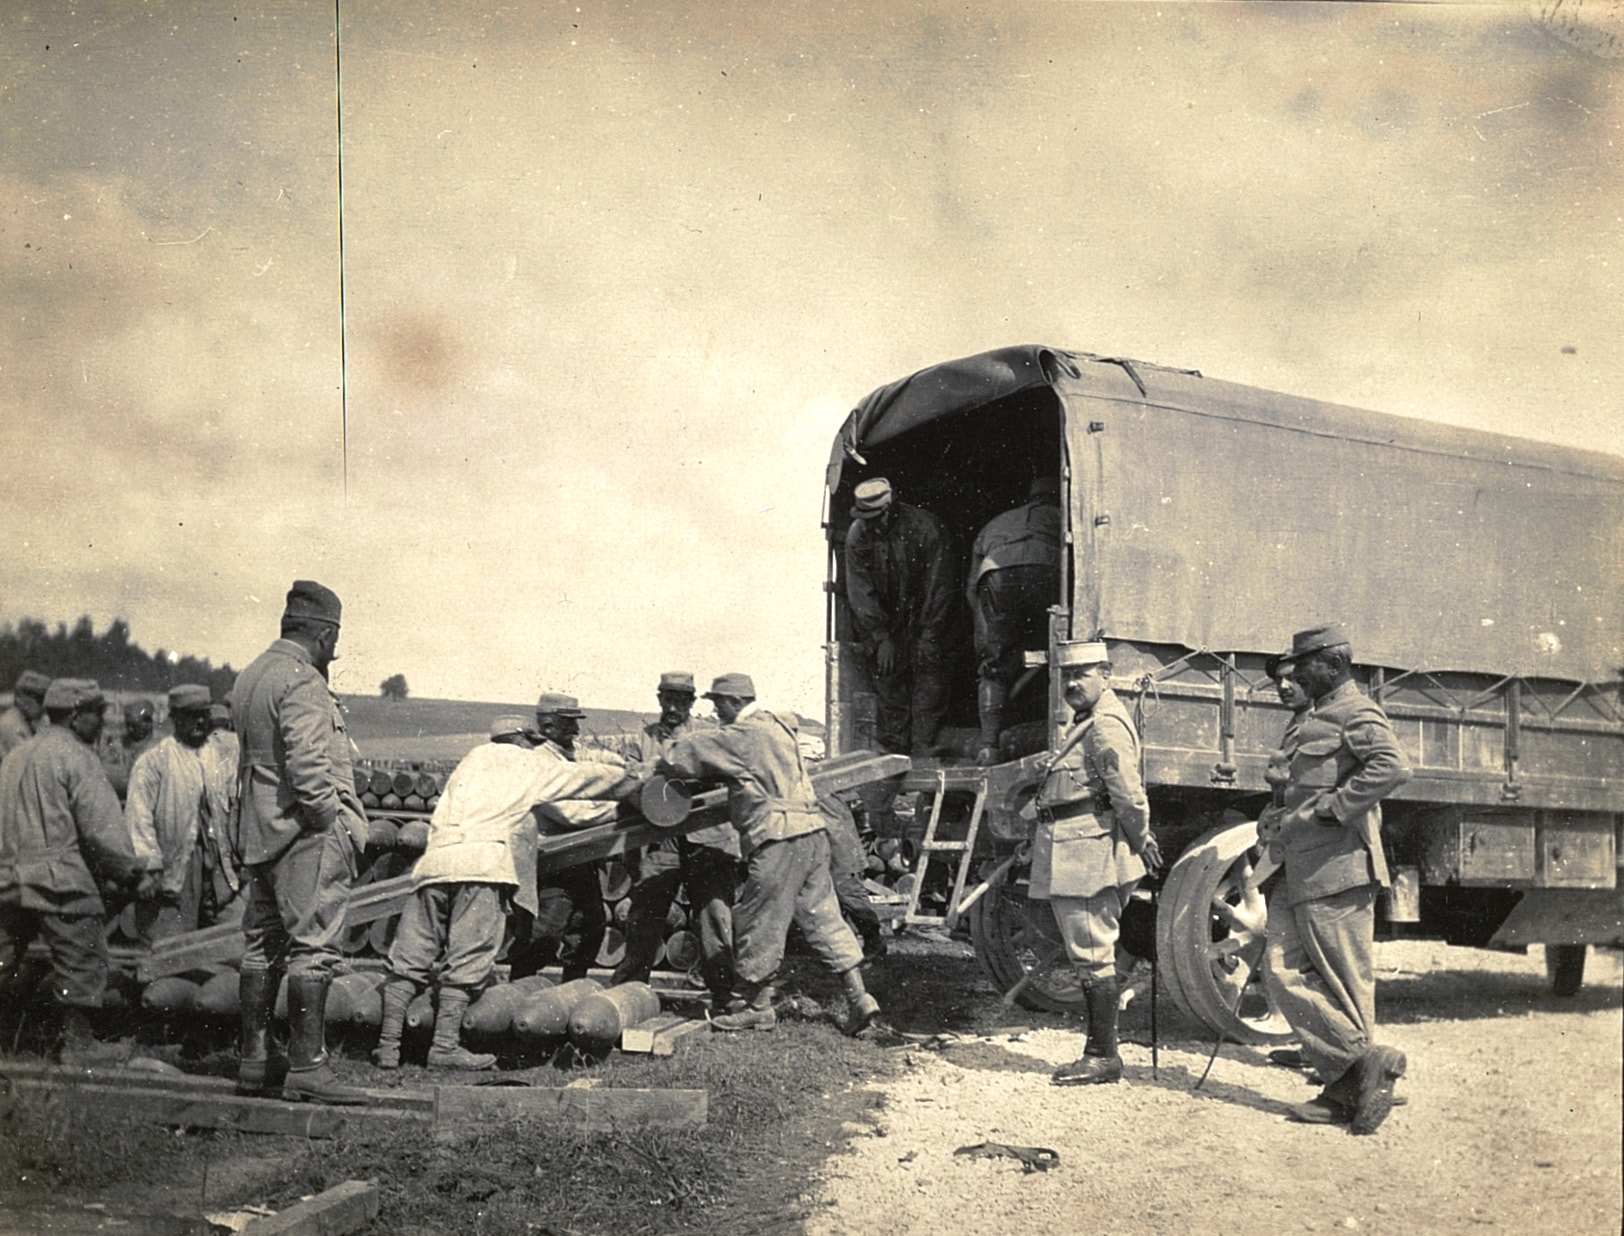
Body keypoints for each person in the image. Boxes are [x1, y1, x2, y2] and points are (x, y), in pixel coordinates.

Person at [372, 714, 637, 1071]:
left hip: (434, 864)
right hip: (480, 866)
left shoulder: (469, 762)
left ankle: (387, 1048)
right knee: (468, 958)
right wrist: (630, 781)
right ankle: (444, 1048)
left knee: (410, 958)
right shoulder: (526, 763)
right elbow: (580, 779)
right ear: (525, 739)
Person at [656, 673, 881, 1034]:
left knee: (759, 920)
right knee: (824, 918)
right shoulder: (779, 725)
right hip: (811, 833)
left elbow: (683, 756)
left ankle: (757, 1008)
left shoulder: (743, 735)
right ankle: (859, 998)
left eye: (718, 705)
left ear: (734, 702)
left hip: (778, 838)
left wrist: (660, 755)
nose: (716, 713)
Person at [1260, 623, 1412, 1135]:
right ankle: (1366, 1066)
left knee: (1346, 984)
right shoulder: (1314, 716)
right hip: (1301, 864)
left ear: (1334, 665)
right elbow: (1297, 786)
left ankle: (1346, 1088)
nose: (1295, 675)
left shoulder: (1355, 711)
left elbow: (1392, 767)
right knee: (1279, 970)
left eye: (1303, 667)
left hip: (1340, 866)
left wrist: (1334, 809)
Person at [230, 580, 371, 1104]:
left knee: (262, 946)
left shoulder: (251, 676)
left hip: (259, 833)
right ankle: (308, 1066)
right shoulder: (303, 682)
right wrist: (329, 819)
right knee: (314, 947)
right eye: (335, 637)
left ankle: (254, 1060)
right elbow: (310, 769)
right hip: (304, 834)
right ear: (325, 633)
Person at [0, 678, 154, 1063]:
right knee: (81, 952)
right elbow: (101, 828)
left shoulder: (15, 756)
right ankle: (79, 1043)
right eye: (96, 713)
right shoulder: (77, 757)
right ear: (74, 716)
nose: (102, 722)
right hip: (58, 877)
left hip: (8, 874)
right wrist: (133, 873)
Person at [1032, 641, 1161, 1087]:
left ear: (1106, 674)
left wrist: (1141, 839)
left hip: (1088, 850)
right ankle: (1100, 1052)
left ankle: (1102, 1056)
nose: (1071, 683)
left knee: (1092, 952)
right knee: (1089, 952)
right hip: (1073, 845)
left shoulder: (1105, 726)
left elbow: (1128, 794)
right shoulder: (1086, 723)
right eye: (1066, 676)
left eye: (1082, 674)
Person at [611, 672, 741, 1010]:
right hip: (658, 841)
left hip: (706, 838)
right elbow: (625, 784)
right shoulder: (641, 740)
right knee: (645, 911)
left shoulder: (708, 736)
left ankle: (724, 995)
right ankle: (628, 992)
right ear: (658, 700)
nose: (673, 706)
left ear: (691, 703)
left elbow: (728, 781)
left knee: (714, 915)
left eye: (680, 700)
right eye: (667, 699)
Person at [506, 693, 625, 983]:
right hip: (552, 862)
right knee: (546, 932)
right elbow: (572, 813)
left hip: (580, 856)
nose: (576, 730)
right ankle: (515, 988)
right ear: (548, 726)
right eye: (568, 723)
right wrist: (620, 807)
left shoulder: (566, 755)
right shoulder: (538, 763)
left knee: (590, 928)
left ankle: (572, 990)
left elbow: (598, 762)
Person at [843, 477, 958, 756]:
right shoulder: (858, 535)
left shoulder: (926, 528)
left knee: (929, 672)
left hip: (927, 615)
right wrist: (881, 637)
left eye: (874, 517)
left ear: (890, 507)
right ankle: (895, 751)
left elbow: (939, 586)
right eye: (864, 518)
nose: (868, 524)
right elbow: (860, 590)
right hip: (886, 621)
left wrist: (929, 635)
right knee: (888, 676)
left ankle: (923, 745)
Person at [967, 475, 1063, 764]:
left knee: (994, 668)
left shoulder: (998, 522)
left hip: (994, 577)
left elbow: (972, 586)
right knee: (1054, 654)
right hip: (1045, 568)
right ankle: (1054, 734)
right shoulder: (1062, 516)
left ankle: (989, 745)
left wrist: (985, 634)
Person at [124, 684, 216, 941]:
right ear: (175, 718)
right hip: (174, 866)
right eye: (190, 715)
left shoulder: (218, 756)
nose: (199, 721)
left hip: (215, 868)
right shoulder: (155, 760)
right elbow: (138, 818)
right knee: (173, 943)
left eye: (203, 714)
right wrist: (149, 865)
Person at [196, 703, 244, 927]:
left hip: (209, 833)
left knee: (212, 889)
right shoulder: (239, 744)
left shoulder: (202, 747)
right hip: (236, 828)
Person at [99, 697, 158, 801]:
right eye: (127, 724)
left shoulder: (159, 746)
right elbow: (103, 775)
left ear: (149, 723)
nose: (129, 729)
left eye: (134, 726)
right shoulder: (117, 743)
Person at [0, 670, 51, 759]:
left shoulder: (38, 721)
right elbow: (27, 760)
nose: (43, 705)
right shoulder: (9, 724)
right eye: (38, 699)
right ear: (20, 697)